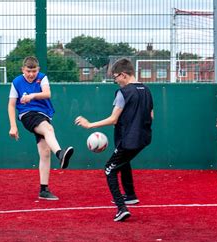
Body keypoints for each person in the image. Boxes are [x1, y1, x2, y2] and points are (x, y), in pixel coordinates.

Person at [75, 58, 153, 222]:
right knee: (124, 162)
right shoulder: (146, 90)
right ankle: (130, 195)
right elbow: (151, 115)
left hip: (128, 140)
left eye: (116, 77)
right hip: (144, 139)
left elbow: (113, 119)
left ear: (124, 75)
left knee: (109, 170)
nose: (115, 80)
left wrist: (90, 125)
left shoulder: (123, 93)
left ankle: (121, 208)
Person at [8, 56, 74, 200]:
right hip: (28, 115)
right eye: (28, 71)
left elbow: (47, 93)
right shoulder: (16, 82)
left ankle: (44, 190)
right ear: (22, 70)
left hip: (44, 114)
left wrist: (31, 96)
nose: (31, 74)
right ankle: (60, 154)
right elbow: (11, 105)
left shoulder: (42, 78)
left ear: (38, 69)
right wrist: (13, 126)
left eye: (34, 71)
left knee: (44, 152)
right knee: (48, 130)